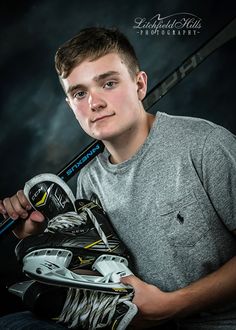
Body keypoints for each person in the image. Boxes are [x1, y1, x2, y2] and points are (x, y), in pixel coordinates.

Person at [0, 26, 236, 330]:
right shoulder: (89, 179)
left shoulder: (205, 145)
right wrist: (41, 236)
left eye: (108, 83)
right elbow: (104, 277)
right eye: (79, 93)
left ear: (139, 85)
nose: (94, 103)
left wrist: (173, 305)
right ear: (71, 105)